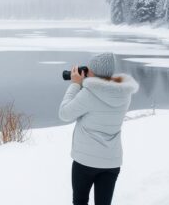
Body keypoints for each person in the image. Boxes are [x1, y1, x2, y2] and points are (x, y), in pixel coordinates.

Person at [59, 52, 139, 205]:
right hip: (111, 162)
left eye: (88, 70)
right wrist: (88, 82)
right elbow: (103, 93)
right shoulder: (125, 94)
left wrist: (76, 84)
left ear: (93, 73)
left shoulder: (88, 94)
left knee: (80, 201)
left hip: (85, 162)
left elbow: (64, 113)